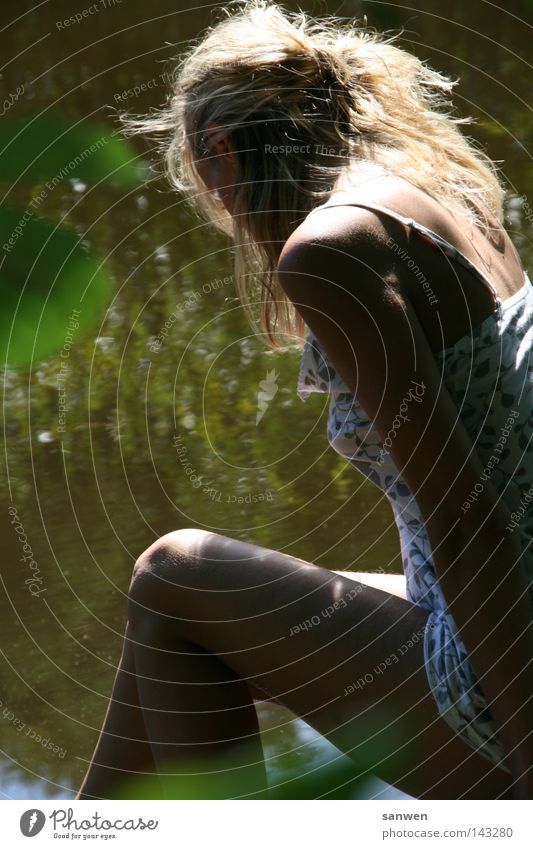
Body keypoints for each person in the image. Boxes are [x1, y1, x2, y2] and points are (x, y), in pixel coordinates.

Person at [77, 0, 533, 800]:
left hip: (503, 665)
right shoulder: (447, 191)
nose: (217, 207)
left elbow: (465, 525)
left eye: (202, 177)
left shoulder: (333, 249)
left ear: (219, 149)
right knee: (178, 622)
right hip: (500, 604)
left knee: (171, 572)